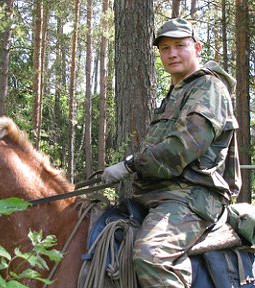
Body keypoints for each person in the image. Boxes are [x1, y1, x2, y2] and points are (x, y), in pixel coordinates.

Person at [102, 18, 242, 287]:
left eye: (180, 45)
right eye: (165, 48)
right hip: (160, 194)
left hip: (192, 196)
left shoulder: (209, 88)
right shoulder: (177, 92)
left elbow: (183, 148)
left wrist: (129, 165)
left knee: (151, 256)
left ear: (197, 48)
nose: (172, 53)